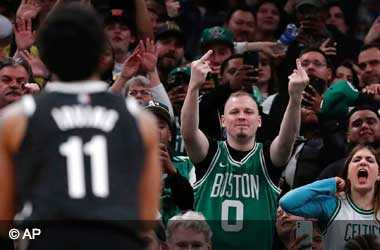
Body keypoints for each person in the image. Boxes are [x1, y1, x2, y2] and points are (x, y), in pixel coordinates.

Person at [0, 4, 161, 249]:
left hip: (48, 239)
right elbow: (147, 216)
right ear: (101, 55)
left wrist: (26, 238)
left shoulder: (16, 119)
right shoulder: (139, 119)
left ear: (44, 54)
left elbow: (5, 220)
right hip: (115, 239)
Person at [181, 49, 309, 249]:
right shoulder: (210, 153)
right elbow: (188, 133)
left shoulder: (268, 156)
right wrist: (194, 85)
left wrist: (295, 97)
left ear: (259, 121)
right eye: (234, 112)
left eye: (248, 111)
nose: (241, 116)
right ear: (223, 121)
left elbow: (286, 140)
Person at [280, 144, 380, 250]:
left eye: (370, 160)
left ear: (378, 174)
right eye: (356, 160)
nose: (363, 162)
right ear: (348, 174)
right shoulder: (332, 205)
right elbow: (287, 203)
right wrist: (328, 184)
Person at [143, 100, 194, 224]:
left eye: (161, 126)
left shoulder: (189, 164)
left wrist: (173, 173)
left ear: (170, 135)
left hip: (181, 236)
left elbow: (193, 205)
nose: (155, 130)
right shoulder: (126, 167)